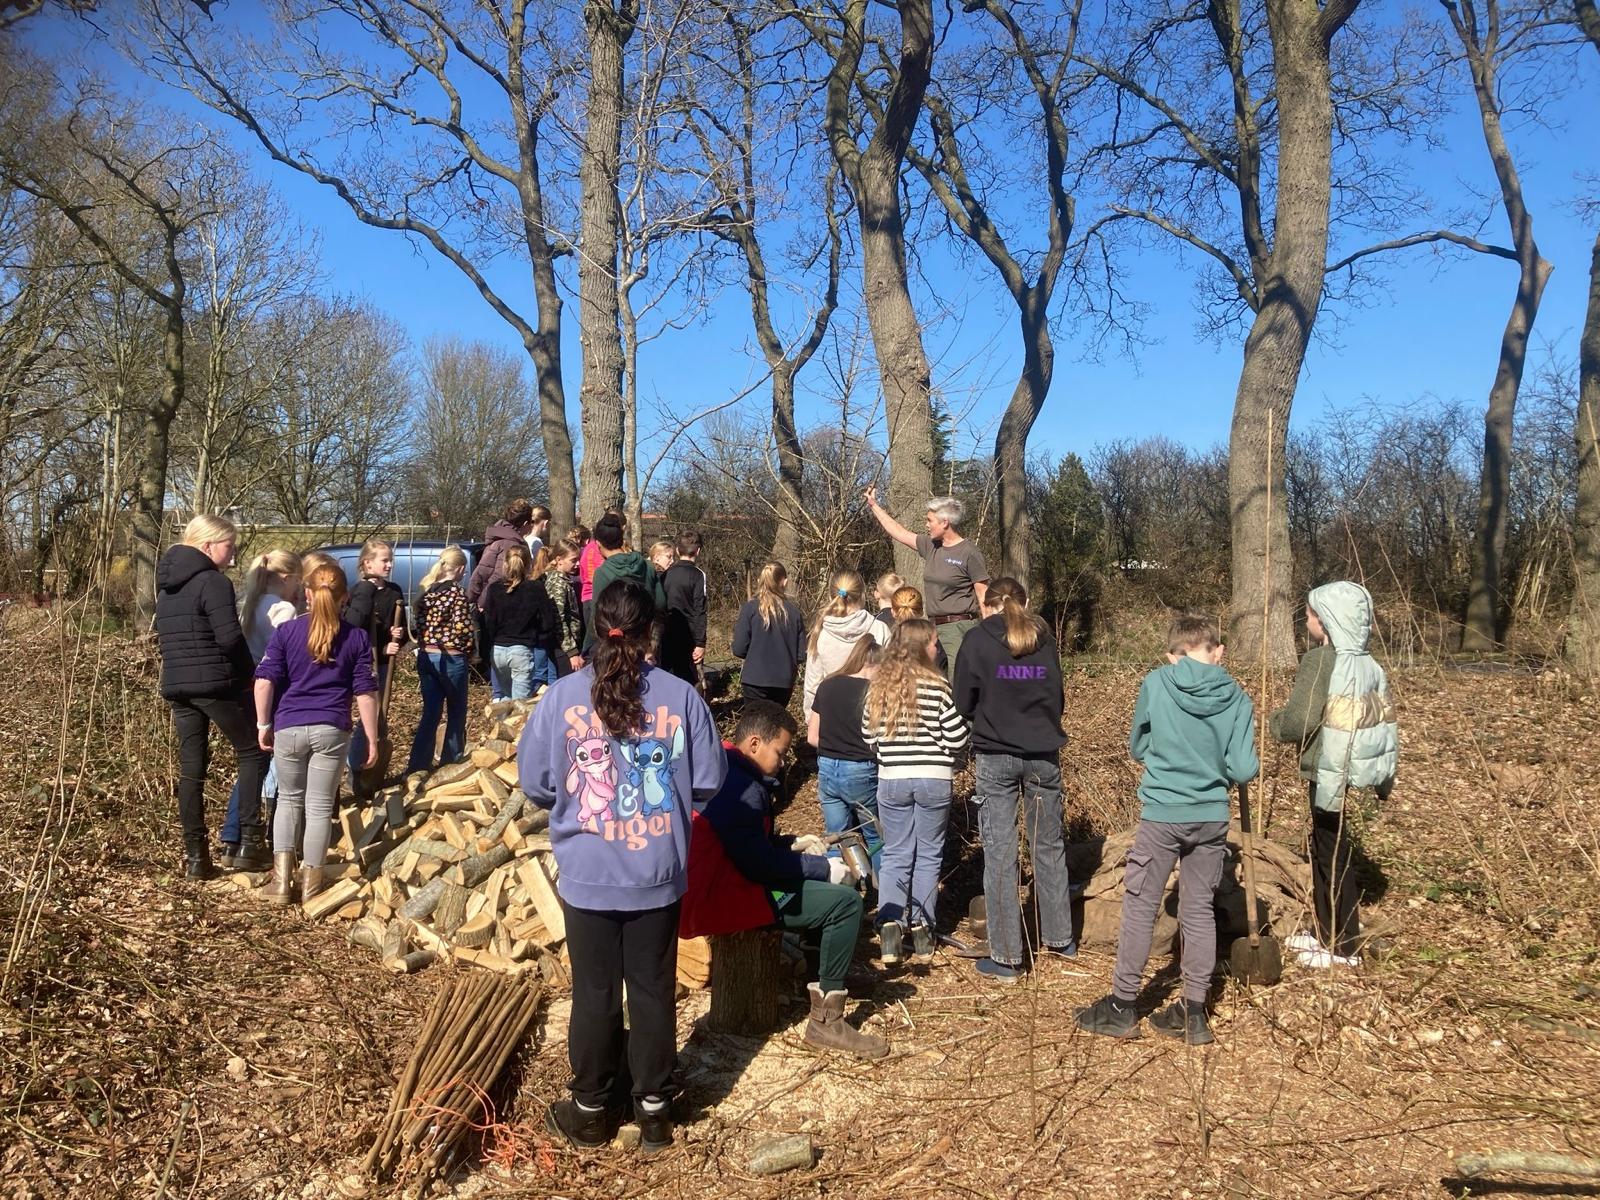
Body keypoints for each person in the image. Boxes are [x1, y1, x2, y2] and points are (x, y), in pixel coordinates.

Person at [516, 580, 726, 1153]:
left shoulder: (560, 698)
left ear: (594, 624)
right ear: (650, 629)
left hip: (588, 872)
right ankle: (653, 1112)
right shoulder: (681, 697)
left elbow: (535, 784)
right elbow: (709, 779)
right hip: (655, 870)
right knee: (654, 990)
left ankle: (590, 1109)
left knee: (594, 992)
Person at [1075, 615, 1258, 1046]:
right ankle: (1194, 1013)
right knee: (1197, 910)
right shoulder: (1238, 697)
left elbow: (1137, 744)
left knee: (1141, 905)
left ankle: (1122, 1006)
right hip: (1212, 815)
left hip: (1163, 811)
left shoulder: (1158, 682)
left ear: (1172, 653)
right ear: (1218, 652)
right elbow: (1244, 768)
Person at [681, 699, 889, 1058]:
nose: (783, 762)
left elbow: (745, 845)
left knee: (821, 887)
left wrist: (791, 844)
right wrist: (824, 869)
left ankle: (820, 973)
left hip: (724, 884)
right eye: (781, 752)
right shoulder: (740, 788)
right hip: (717, 898)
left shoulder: (729, 770)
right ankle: (827, 1021)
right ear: (755, 744)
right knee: (845, 903)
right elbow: (758, 866)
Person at [1270, 582, 1398, 969]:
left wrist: (1275, 724)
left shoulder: (1321, 661)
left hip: (1328, 769)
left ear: (1325, 622)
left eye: (1308, 615)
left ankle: (1341, 945)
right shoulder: (1365, 661)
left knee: (1330, 852)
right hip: (1354, 767)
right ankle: (1328, 931)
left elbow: (1301, 719)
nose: (1305, 621)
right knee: (1330, 846)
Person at [953, 577, 1073, 983]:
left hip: (996, 757)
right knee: (1048, 845)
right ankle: (1060, 938)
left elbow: (962, 700)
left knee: (1001, 854)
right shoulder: (1044, 638)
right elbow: (1058, 697)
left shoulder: (976, 640)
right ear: (1026, 601)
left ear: (986, 605)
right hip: (1043, 756)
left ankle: (1006, 957)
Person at [254, 564, 379, 906]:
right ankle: (312, 883)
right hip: (331, 728)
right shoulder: (356, 637)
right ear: (346, 597)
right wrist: (371, 737)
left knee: (288, 801)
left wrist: (263, 724)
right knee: (320, 807)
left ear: (306, 593)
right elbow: (365, 692)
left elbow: (264, 680)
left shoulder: (286, 632)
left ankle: (281, 883)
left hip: (289, 727)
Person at [155, 514, 269, 880]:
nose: (233, 555)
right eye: (229, 546)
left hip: (177, 686)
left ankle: (196, 859)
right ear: (207, 546)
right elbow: (231, 639)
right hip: (216, 684)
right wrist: (250, 676)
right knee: (253, 750)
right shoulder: (213, 583)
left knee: (192, 771)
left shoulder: (166, 586)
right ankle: (250, 842)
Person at [863, 617, 970, 965]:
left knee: (895, 853)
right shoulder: (937, 687)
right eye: (934, 642)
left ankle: (891, 926)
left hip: (892, 779)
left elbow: (869, 737)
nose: (937, 648)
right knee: (928, 854)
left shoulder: (879, 687)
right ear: (922, 646)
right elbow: (957, 737)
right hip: (933, 779)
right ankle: (923, 928)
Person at [219, 549, 302, 869]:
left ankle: (232, 836)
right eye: (298, 580)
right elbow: (287, 655)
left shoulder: (247, 603)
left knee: (250, 761)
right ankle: (261, 838)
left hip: (244, 685)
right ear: (287, 578)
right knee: (266, 760)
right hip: (270, 687)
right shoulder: (282, 610)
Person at [863, 488, 990, 681]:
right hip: (931, 628)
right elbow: (898, 532)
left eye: (930, 520)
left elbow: (983, 596)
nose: (926, 525)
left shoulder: (969, 552)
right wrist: (874, 505)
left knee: (957, 682)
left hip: (959, 628)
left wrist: (990, 632)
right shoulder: (930, 546)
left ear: (945, 522)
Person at [806, 638, 883, 870]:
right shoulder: (873, 692)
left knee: (835, 838)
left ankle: (841, 890)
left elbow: (811, 737)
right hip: (860, 768)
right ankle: (885, 896)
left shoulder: (827, 685)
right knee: (875, 836)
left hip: (828, 768)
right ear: (874, 664)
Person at [405, 547, 476, 775]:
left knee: (431, 711)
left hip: (427, 656)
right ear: (461, 569)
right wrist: (470, 650)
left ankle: (417, 766)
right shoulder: (456, 593)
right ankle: (451, 763)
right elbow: (462, 628)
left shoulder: (426, 591)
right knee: (456, 712)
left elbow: (420, 626)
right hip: (451, 657)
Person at [344, 539, 407, 793]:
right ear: (367, 563)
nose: (389, 564)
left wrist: (396, 636)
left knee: (378, 719)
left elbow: (400, 629)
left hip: (383, 663)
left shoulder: (394, 591)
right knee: (366, 716)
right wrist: (381, 645)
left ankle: (365, 772)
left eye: (390, 559)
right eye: (384, 560)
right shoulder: (358, 592)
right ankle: (355, 770)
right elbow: (354, 629)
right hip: (363, 661)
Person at [802, 570, 886, 720]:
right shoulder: (879, 629)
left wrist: (812, 722)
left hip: (833, 720)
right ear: (862, 595)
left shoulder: (820, 633)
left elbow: (812, 686)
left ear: (830, 595)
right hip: (872, 717)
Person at [731, 561, 806, 708]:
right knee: (776, 725)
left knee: (755, 726)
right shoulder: (794, 613)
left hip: (754, 679)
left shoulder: (750, 609)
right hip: (783, 681)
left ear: (760, 581)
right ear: (784, 582)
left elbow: (739, 648)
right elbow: (801, 654)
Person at [587, 515, 667, 651]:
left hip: (616, 642)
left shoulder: (603, 572)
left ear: (598, 544)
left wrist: (587, 646)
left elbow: (596, 614)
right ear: (621, 539)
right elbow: (661, 604)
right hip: (645, 638)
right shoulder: (648, 566)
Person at [482, 543, 547, 701]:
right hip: (521, 650)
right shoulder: (535, 589)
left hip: (498, 649)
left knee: (504, 699)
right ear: (529, 565)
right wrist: (539, 639)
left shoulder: (494, 589)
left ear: (505, 564)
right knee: (520, 706)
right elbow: (547, 622)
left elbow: (488, 622)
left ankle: (502, 724)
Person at [468, 498, 538, 608]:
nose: (532, 526)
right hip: (498, 606)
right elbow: (499, 577)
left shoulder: (498, 540)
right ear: (525, 523)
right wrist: (482, 604)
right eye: (531, 522)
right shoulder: (511, 545)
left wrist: (472, 601)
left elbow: (480, 574)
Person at [660, 531, 707, 685]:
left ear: (678, 551)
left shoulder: (665, 574)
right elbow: (700, 609)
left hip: (665, 634)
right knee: (688, 680)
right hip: (689, 636)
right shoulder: (698, 575)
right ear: (698, 551)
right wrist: (700, 642)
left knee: (668, 677)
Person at [534, 540, 586, 678]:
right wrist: (571, 652)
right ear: (559, 560)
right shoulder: (558, 583)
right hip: (563, 647)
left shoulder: (564, 580)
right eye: (573, 560)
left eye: (578, 560)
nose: (578, 564)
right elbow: (559, 619)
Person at [890, 585, 948, 673]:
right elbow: (942, 667)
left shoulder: (889, 639)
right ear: (921, 610)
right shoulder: (932, 639)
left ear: (893, 612)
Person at [578, 511, 618, 637]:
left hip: (587, 596)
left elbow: (582, 573)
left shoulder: (587, 549)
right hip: (602, 597)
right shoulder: (606, 550)